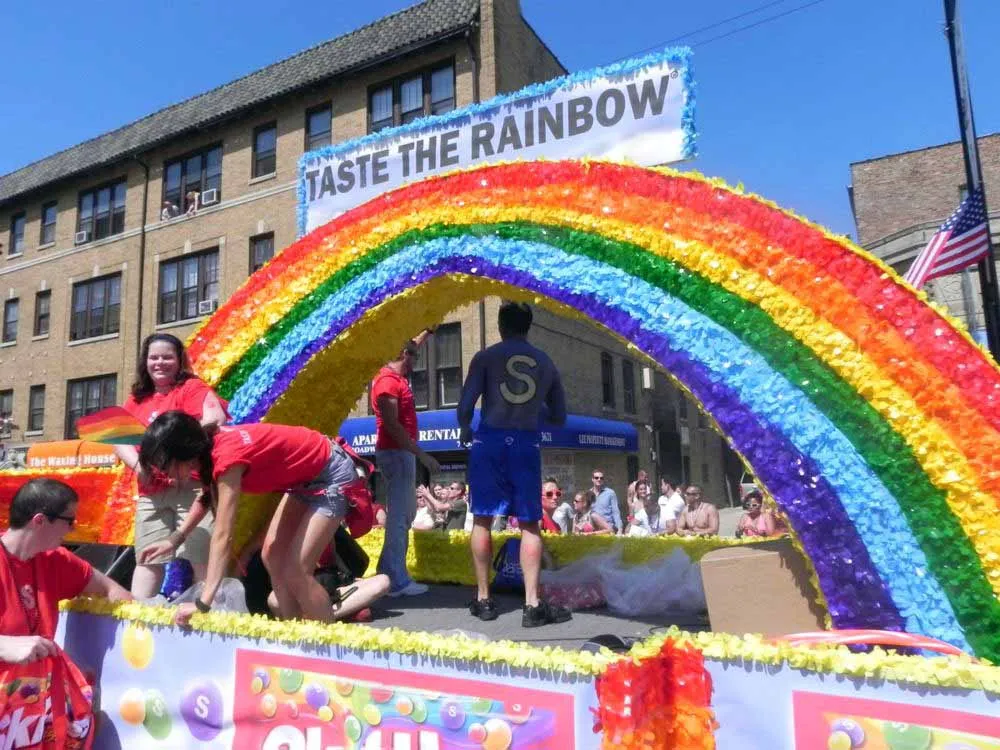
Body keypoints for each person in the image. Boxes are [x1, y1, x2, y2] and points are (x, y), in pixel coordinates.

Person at [138, 411, 374, 626]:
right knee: (271, 554)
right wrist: (175, 539)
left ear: (183, 451)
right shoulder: (206, 453)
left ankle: (326, 641)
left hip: (331, 473)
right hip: (305, 479)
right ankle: (293, 630)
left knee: (297, 570)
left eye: (165, 465)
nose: (165, 474)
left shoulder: (227, 457)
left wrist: (203, 603)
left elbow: (223, 535)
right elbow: (207, 496)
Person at [458, 301, 570, 627]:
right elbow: (559, 416)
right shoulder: (546, 362)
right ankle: (532, 605)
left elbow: (465, 407)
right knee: (530, 524)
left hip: (489, 442)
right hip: (525, 443)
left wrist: (465, 427)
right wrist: (532, 410)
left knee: (482, 519)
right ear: (528, 326)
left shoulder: (485, 358)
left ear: (500, 326)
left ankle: (484, 599)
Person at [114, 333, 228, 599]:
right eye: (154, 357)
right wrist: (140, 467)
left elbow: (215, 418)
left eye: (167, 357)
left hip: (192, 487)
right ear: (145, 361)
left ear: (179, 361)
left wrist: (173, 447)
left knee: (201, 556)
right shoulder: (136, 399)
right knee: (147, 558)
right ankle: (139, 615)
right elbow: (118, 440)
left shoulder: (191, 388)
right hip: (151, 492)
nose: (160, 363)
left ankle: (209, 613)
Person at [0, 479, 132, 663]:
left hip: (39, 680)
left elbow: (113, 591)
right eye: (69, 521)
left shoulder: (56, 559)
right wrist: (4, 645)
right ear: (39, 520)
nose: (73, 529)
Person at [371, 330, 439, 597]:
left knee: (405, 514)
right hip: (396, 453)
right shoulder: (387, 383)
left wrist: (427, 332)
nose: (416, 361)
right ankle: (395, 580)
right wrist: (422, 455)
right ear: (403, 354)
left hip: (400, 453)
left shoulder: (393, 377)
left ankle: (388, 572)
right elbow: (393, 426)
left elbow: (411, 344)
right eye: (414, 356)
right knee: (400, 518)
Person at [590, 469, 622, 534]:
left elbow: (615, 512)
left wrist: (620, 529)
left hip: (608, 527)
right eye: (596, 478)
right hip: (594, 528)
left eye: (601, 478)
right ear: (592, 479)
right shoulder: (588, 494)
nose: (599, 479)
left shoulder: (610, 493)